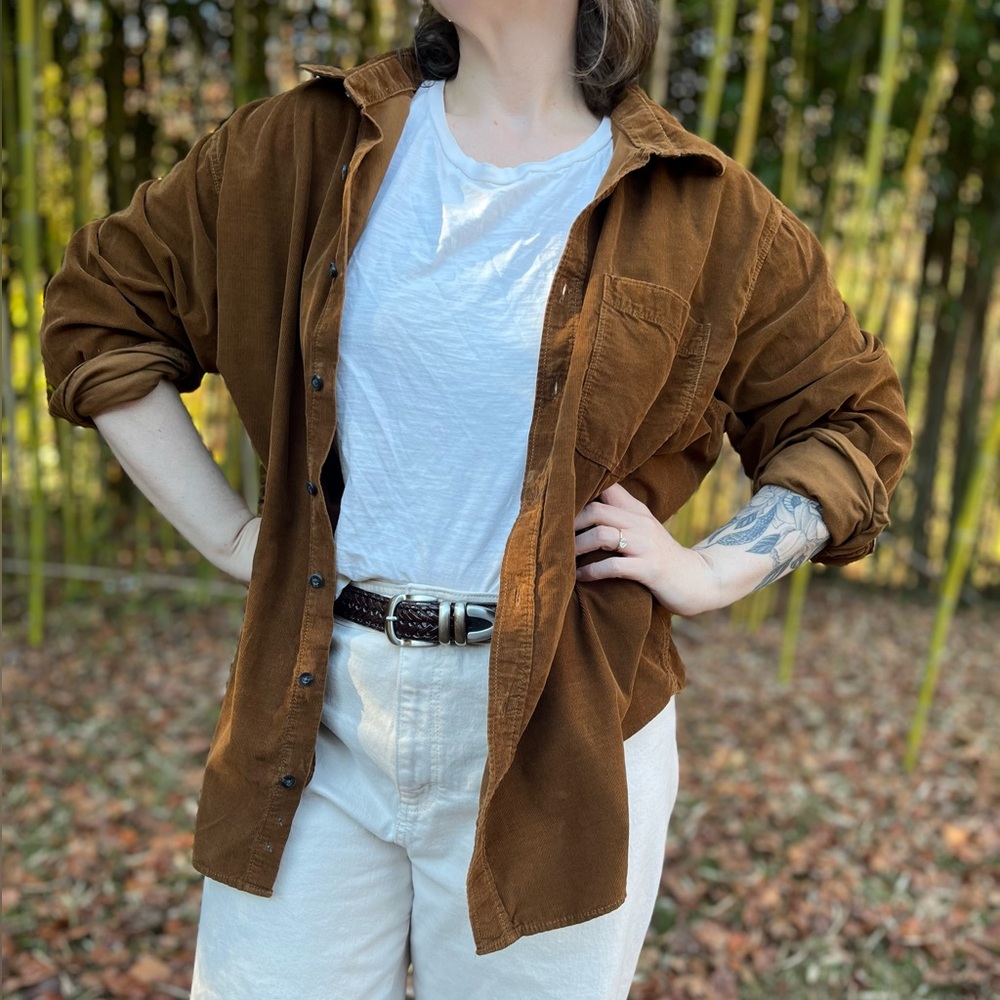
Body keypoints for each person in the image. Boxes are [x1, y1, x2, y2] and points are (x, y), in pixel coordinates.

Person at [39, 1, 912, 997]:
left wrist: (714, 566)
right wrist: (233, 530)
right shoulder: (299, 146)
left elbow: (848, 419)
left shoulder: (703, 211)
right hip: (312, 711)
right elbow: (102, 313)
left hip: (564, 730)